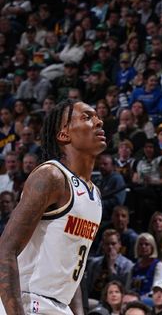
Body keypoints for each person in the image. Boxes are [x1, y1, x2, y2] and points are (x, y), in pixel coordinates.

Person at [0, 100, 105, 315]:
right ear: (64, 134)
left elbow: (72, 269)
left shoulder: (95, 195)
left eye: (97, 116)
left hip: (58, 305)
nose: (99, 122)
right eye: (87, 117)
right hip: (27, 302)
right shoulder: (51, 176)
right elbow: (5, 250)